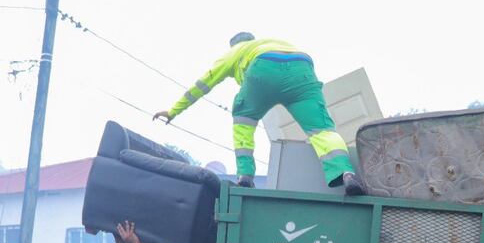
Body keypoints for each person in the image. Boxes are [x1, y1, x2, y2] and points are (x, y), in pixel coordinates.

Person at [154, 32, 366, 195]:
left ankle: (245, 175)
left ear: (234, 45)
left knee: (243, 117)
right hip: (302, 68)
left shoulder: (235, 52)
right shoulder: (271, 41)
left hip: (264, 68)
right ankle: (346, 173)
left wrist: (174, 111)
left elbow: (203, 84)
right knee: (323, 130)